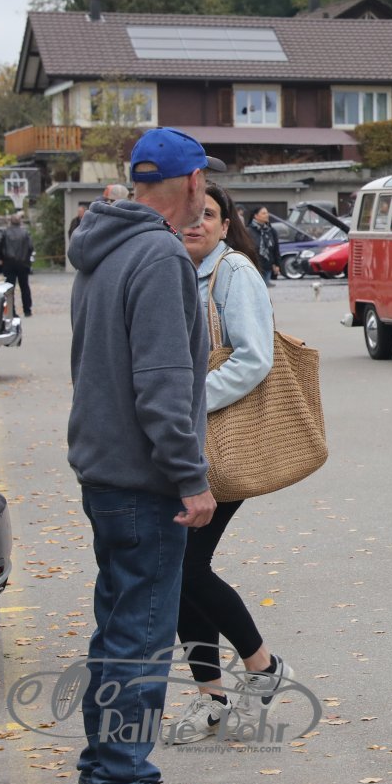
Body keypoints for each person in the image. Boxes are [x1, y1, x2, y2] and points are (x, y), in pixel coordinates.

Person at [68, 127, 223, 784]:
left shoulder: (100, 246)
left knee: (118, 630)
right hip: (143, 480)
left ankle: (105, 775)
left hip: (105, 471)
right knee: (140, 637)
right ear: (193, 182)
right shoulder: (159, 255)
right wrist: (191, 478)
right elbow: (162, 383)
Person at [166, 181, 290, 747]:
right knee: (180, 570)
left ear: (224, 223)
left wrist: (191, 402)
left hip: (222, 442)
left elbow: (254, 358)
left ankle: (262, 664)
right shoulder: (176, 270)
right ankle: (212, 698)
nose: (197, 224)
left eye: (208, 216)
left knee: (186, 566)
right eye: (190, 215)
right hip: (183, 444)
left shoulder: (233, 271)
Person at [1, 212, 35, 316]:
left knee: (9, 287)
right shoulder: (25, 233)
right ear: (20, 222)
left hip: (9, 262)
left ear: (10, 222)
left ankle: (11, 310)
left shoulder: (5, 232)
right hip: (23, 263)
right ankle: (27, 310)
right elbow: (30, 247)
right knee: (25, 287)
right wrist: (27, 258)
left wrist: (0, 257)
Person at [247, 206, 281, 285]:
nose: (267, 215)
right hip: (254, 266)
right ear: (256, 216)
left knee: (265, 289)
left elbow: (275, 249)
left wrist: (277, 264)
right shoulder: (248, 231)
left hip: (267, 266)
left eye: (267, 213)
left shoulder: (271, 231)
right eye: (263, 213)